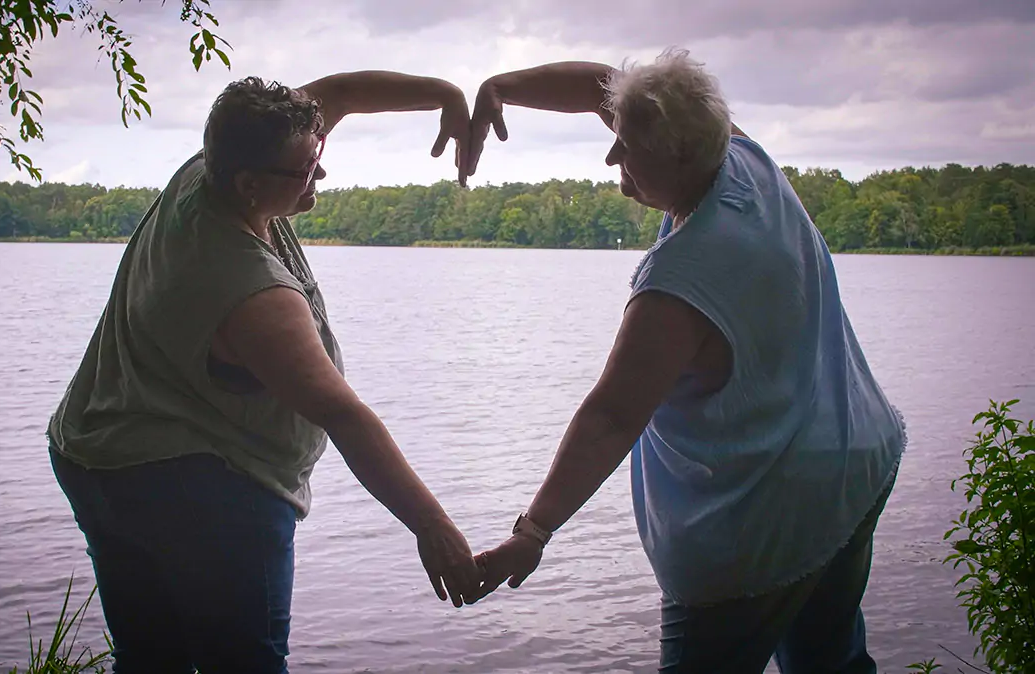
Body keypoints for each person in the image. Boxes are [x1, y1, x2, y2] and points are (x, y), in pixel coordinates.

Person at [460, 48, 906, 674]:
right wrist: (500, 88)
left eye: (628, 148)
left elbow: (612, 417)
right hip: (848, 465)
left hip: (759, 519)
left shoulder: (681, 280)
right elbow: (602, 87)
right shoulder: (742, 157)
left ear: (680, 153)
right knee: (829, 661)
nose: (611, 157)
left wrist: (531, 535)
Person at [47, 71, 482, 673]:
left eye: (318, 154)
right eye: (306, 168)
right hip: (197, 486)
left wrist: (444, 95)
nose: (320, 174)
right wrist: (432, 526)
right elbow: (344, 415)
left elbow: (343, 94)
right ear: (251, 184)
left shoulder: (209, 168)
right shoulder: (253, 293)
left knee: (151, 660)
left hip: (95, 450)